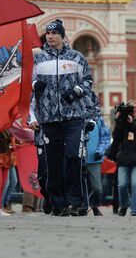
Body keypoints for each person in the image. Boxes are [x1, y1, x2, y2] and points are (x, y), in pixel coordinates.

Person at [29, 19, 95, 216]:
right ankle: (58, 203)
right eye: (48, 34)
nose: (50, 37)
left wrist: (76, 91)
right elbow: (28, 83)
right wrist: (35, 86)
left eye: (54, 33)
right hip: (49, 118)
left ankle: (75, 201)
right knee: (54, 162)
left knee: (73, 156)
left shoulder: (76, 57)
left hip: (73, 116)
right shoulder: (39, 59)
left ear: (61, 35)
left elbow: (88, 81)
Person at [109, 100, 136, 216]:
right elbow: (116, 137)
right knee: (121, 185)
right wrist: (118, 121)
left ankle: (134, 210)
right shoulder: (122, 122)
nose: (134, 110)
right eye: (131, 108)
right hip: (124, 158)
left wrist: (133, 123)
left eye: (135, 107)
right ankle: (124, 205)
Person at [84, 90, 111, 216]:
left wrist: (100, 150)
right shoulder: (75, 118)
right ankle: (83, 207)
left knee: (97, 188)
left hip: (94, 160)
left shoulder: (99, 120)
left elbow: (105, 137)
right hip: (78, 159)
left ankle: (92, 205)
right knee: (80, 186)